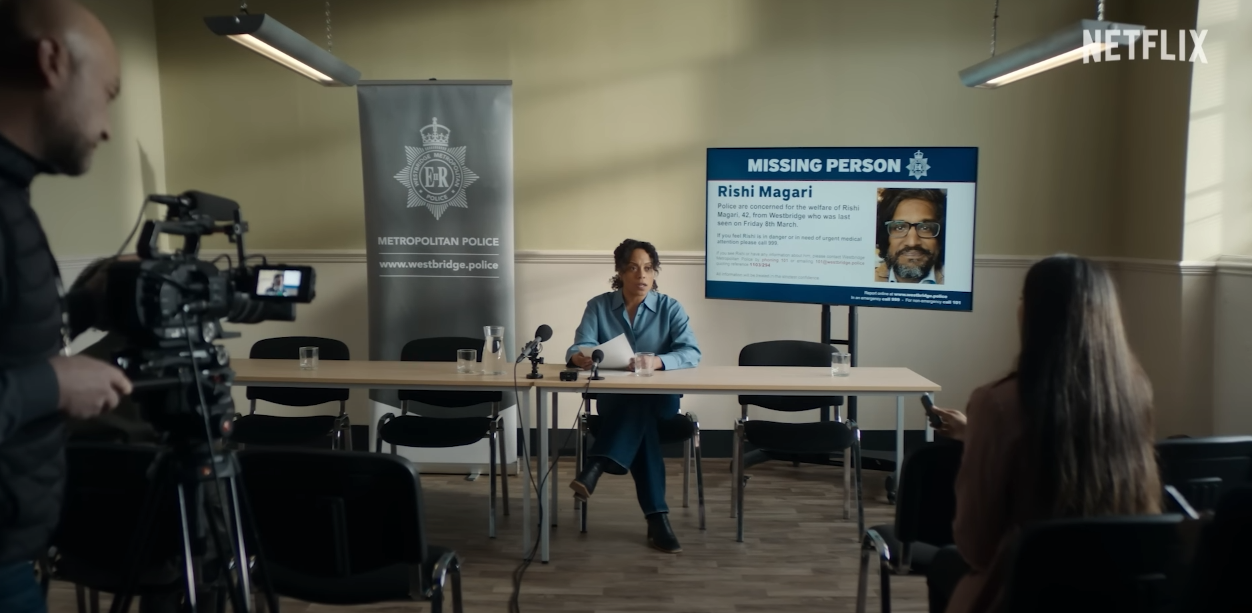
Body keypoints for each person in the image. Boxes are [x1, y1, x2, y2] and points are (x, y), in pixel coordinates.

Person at [923, 255, 1161, 613]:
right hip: (1118, 588)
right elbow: (1070, 443)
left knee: (946, 562)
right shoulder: (1135, 394)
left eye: (1022, 298)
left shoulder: (996, 402)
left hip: (1026, 590)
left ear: (1036, 313)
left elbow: (976, 546)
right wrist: (974, 433)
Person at [0, 1, 132, 611]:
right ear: (52, 61)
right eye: (107, 93)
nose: (107, 128)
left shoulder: (13, 196)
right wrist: (51, 386)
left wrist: (86, 307)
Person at [566, 238, 700, 553]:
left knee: (643, 406)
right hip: (616, 402)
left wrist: (657, 362)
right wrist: (580, 357)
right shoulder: (599, 306)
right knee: (643, 424)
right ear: (620, 272)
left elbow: (691, 352)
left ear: (654, 273)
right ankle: (657, 519)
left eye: (649, 268)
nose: (642, 275)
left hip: (661, 402)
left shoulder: (670, 307)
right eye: (633, 268)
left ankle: (597, 464)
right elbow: (578, 346)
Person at [874, 188, 946, 284]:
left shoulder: (957, 282)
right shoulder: (864, 282)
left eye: (925, 228)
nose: (912, 242)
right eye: (899, 227)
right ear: (885, 236)